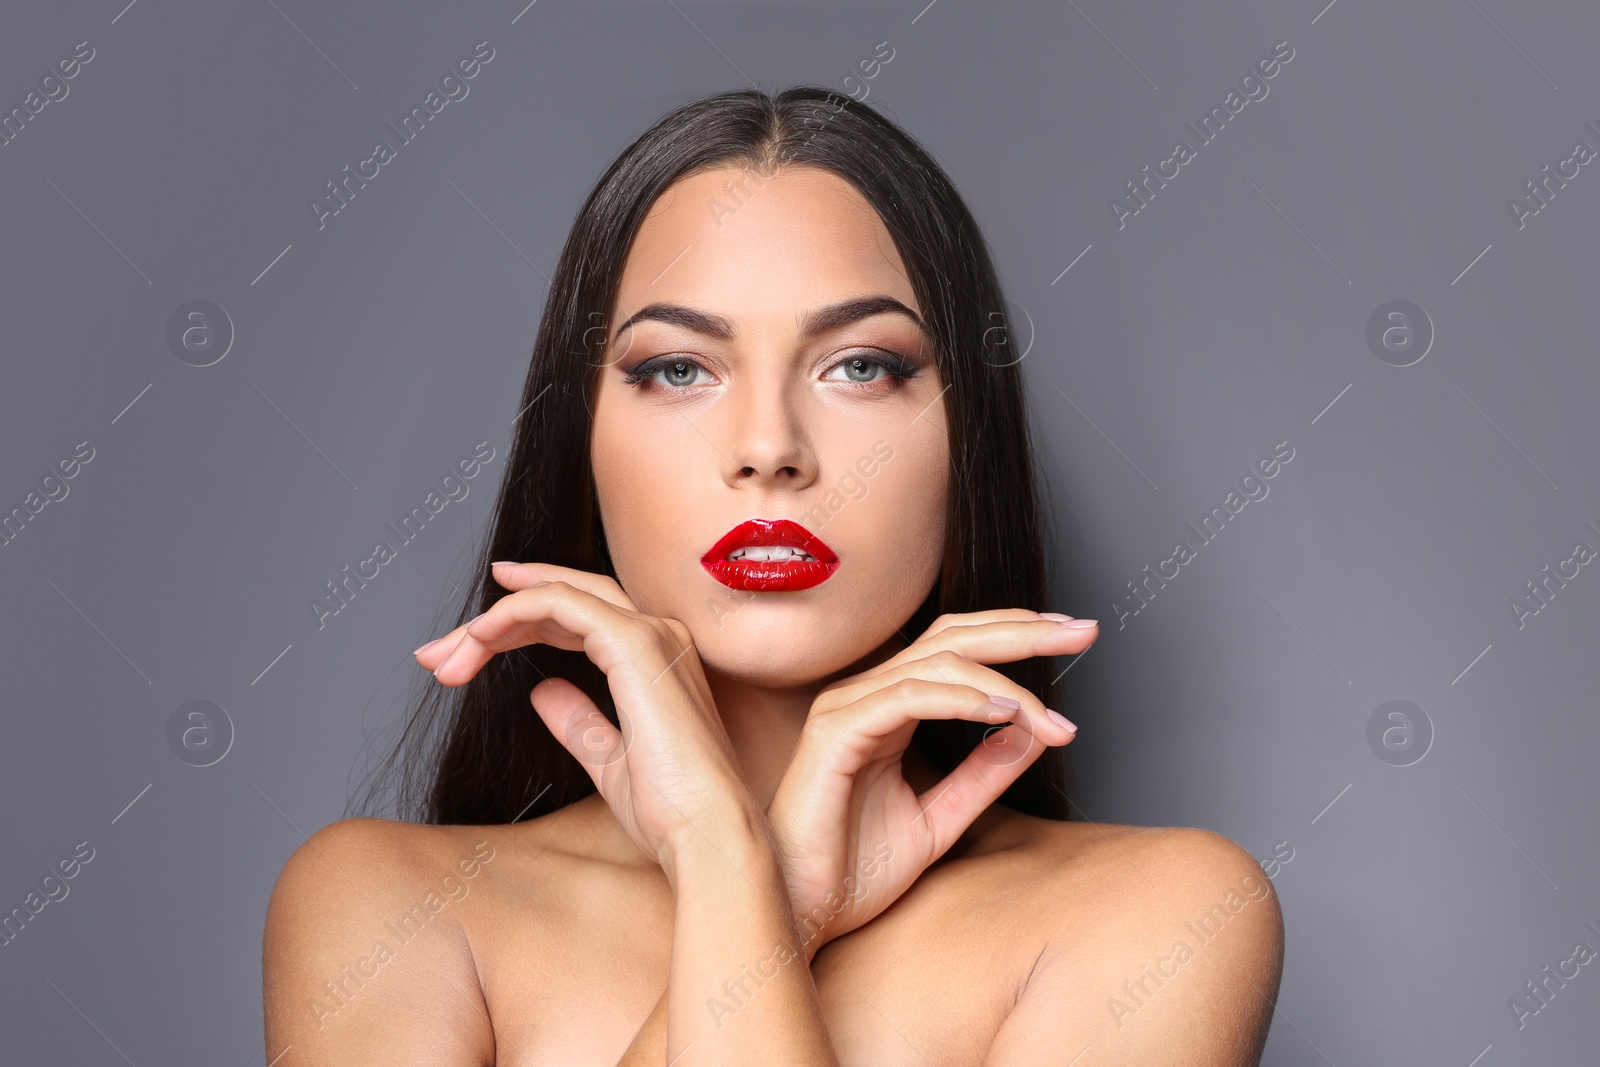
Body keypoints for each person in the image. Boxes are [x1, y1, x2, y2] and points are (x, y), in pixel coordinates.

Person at [262, 85, 1284, 1065]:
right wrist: (746, 872)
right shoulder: (387, 909)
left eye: (859, 366)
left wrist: (737, 879)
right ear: (580, 437)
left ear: (966, 434)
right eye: (677, 368)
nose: (768, 447)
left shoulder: (1163, 915)